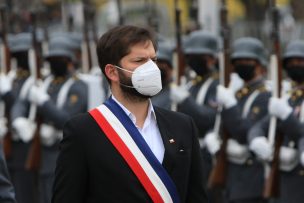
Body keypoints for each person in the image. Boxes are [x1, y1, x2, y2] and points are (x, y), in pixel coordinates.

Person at [52, 25, 208, 203]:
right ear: (112, 72)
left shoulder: (183, 125)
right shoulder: (83, 131)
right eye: (139, 61)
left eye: (153, 60)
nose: (151, 68)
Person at [213, 37, 270, 203]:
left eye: (247, 60)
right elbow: (223, 125)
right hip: (232, 176)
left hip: (251, 179)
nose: (242, 64)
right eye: (238, 61)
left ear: (259, 64)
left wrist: (230, 105)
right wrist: (213, 134)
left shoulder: (265, 95)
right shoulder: (238, 93)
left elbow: (245, 133)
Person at [248, 40, 304, 203]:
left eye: (300, 61)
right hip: (284, 178)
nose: (295, 65)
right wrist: (256, 139)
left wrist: (287, 117)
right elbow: (260, 126)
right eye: (291, 63)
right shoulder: (288, 98)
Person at [151, 41, 174, 110]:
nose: (156, 65)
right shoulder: (143, 91)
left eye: (161, 62)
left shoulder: (174, 94)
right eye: (154, 61)